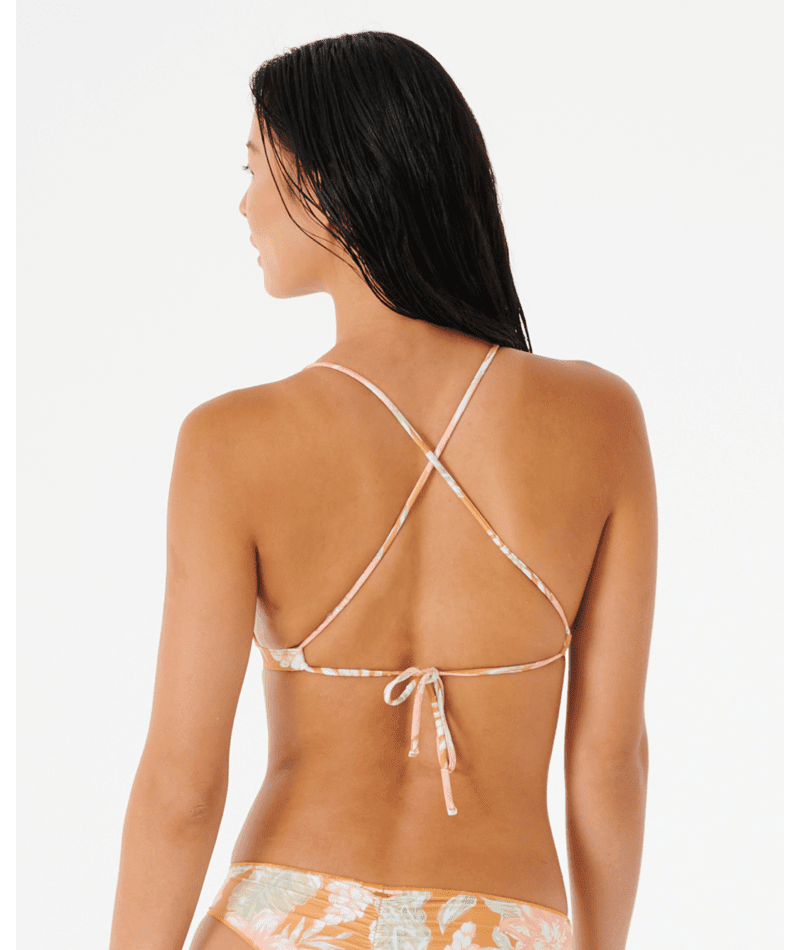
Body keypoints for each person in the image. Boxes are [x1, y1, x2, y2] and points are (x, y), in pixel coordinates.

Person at [109, 31, 656, 950]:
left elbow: (181, 788)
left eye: (254, 169)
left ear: (325, 188)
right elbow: (609, 763)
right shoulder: (600, 418)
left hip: (281, 919)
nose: (244, 204)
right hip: (504, 921)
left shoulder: (230, 440)